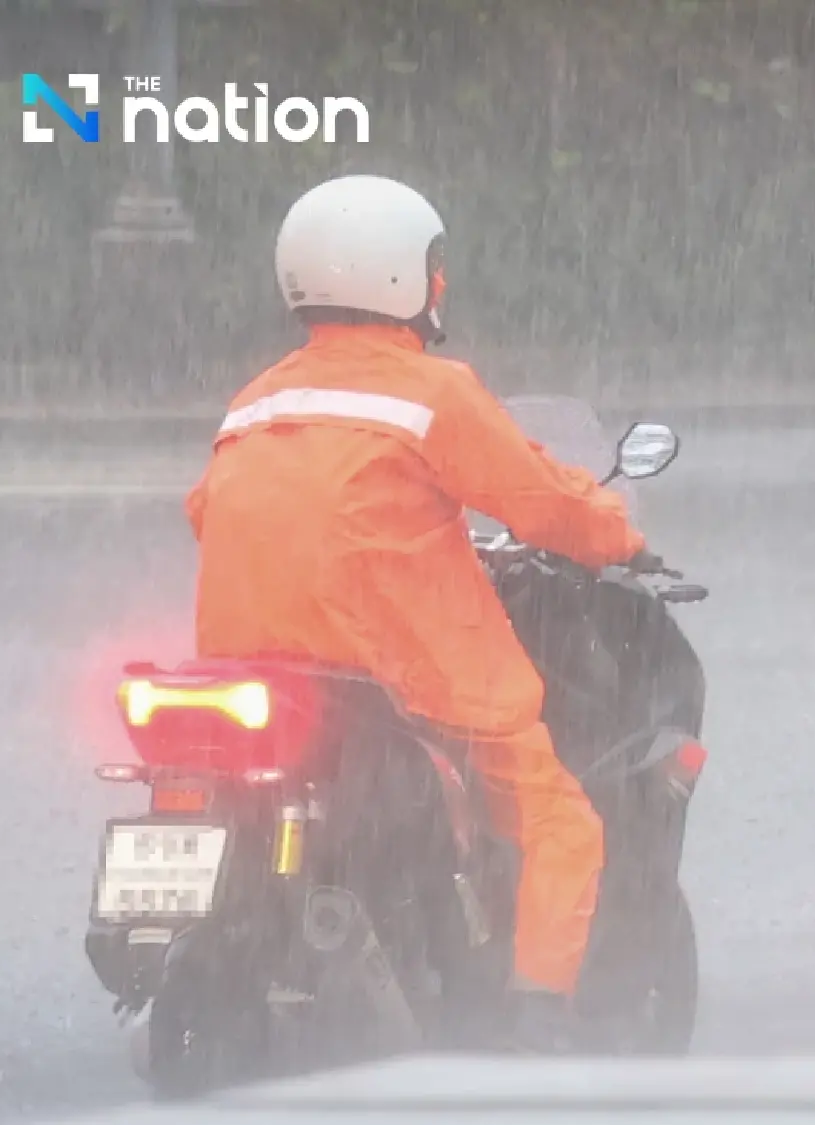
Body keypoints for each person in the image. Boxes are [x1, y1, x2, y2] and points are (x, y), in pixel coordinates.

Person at [186, 173, 652, 1050]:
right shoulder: (432, 392)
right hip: (391, 674)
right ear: (405, 278)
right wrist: (621, 537)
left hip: (249, 668)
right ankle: (537, 1019)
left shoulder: (259, 396)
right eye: (435, 267)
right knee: (562, 821)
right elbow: (543, 501)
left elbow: (206, 508)